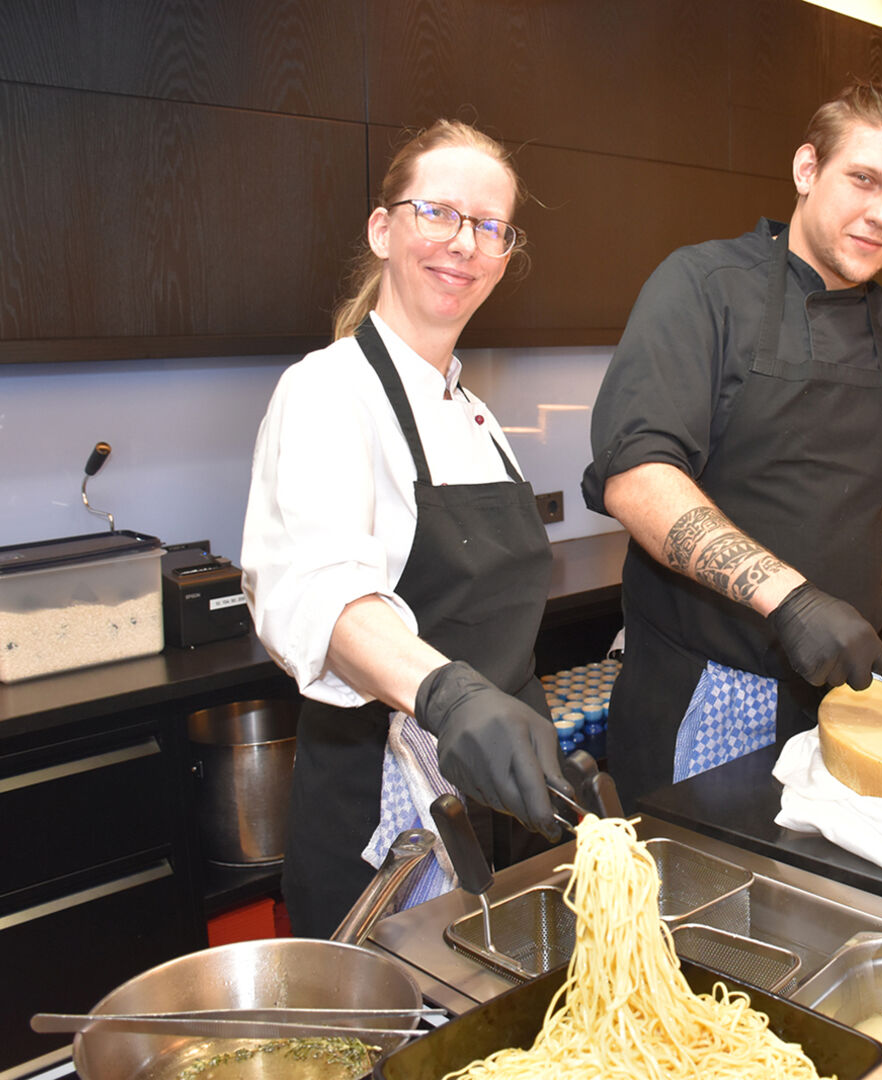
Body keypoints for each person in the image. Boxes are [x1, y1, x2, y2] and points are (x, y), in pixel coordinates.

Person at [581, 82, 882, 801]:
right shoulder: (702, 286)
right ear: (806, 170)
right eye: (863, 180)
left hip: (850, 694)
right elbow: (637, 476)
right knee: (703, 905)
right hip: (712, 689)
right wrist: (792, 602)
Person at [242, 121, 566, 937]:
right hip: (390, 825)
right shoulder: (325, 392)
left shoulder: (477, 413)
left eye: (489, 227)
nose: (464, 243)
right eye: (439, 213)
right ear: (382, 230)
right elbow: (321, 594)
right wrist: (451, 696)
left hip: (494, 794)